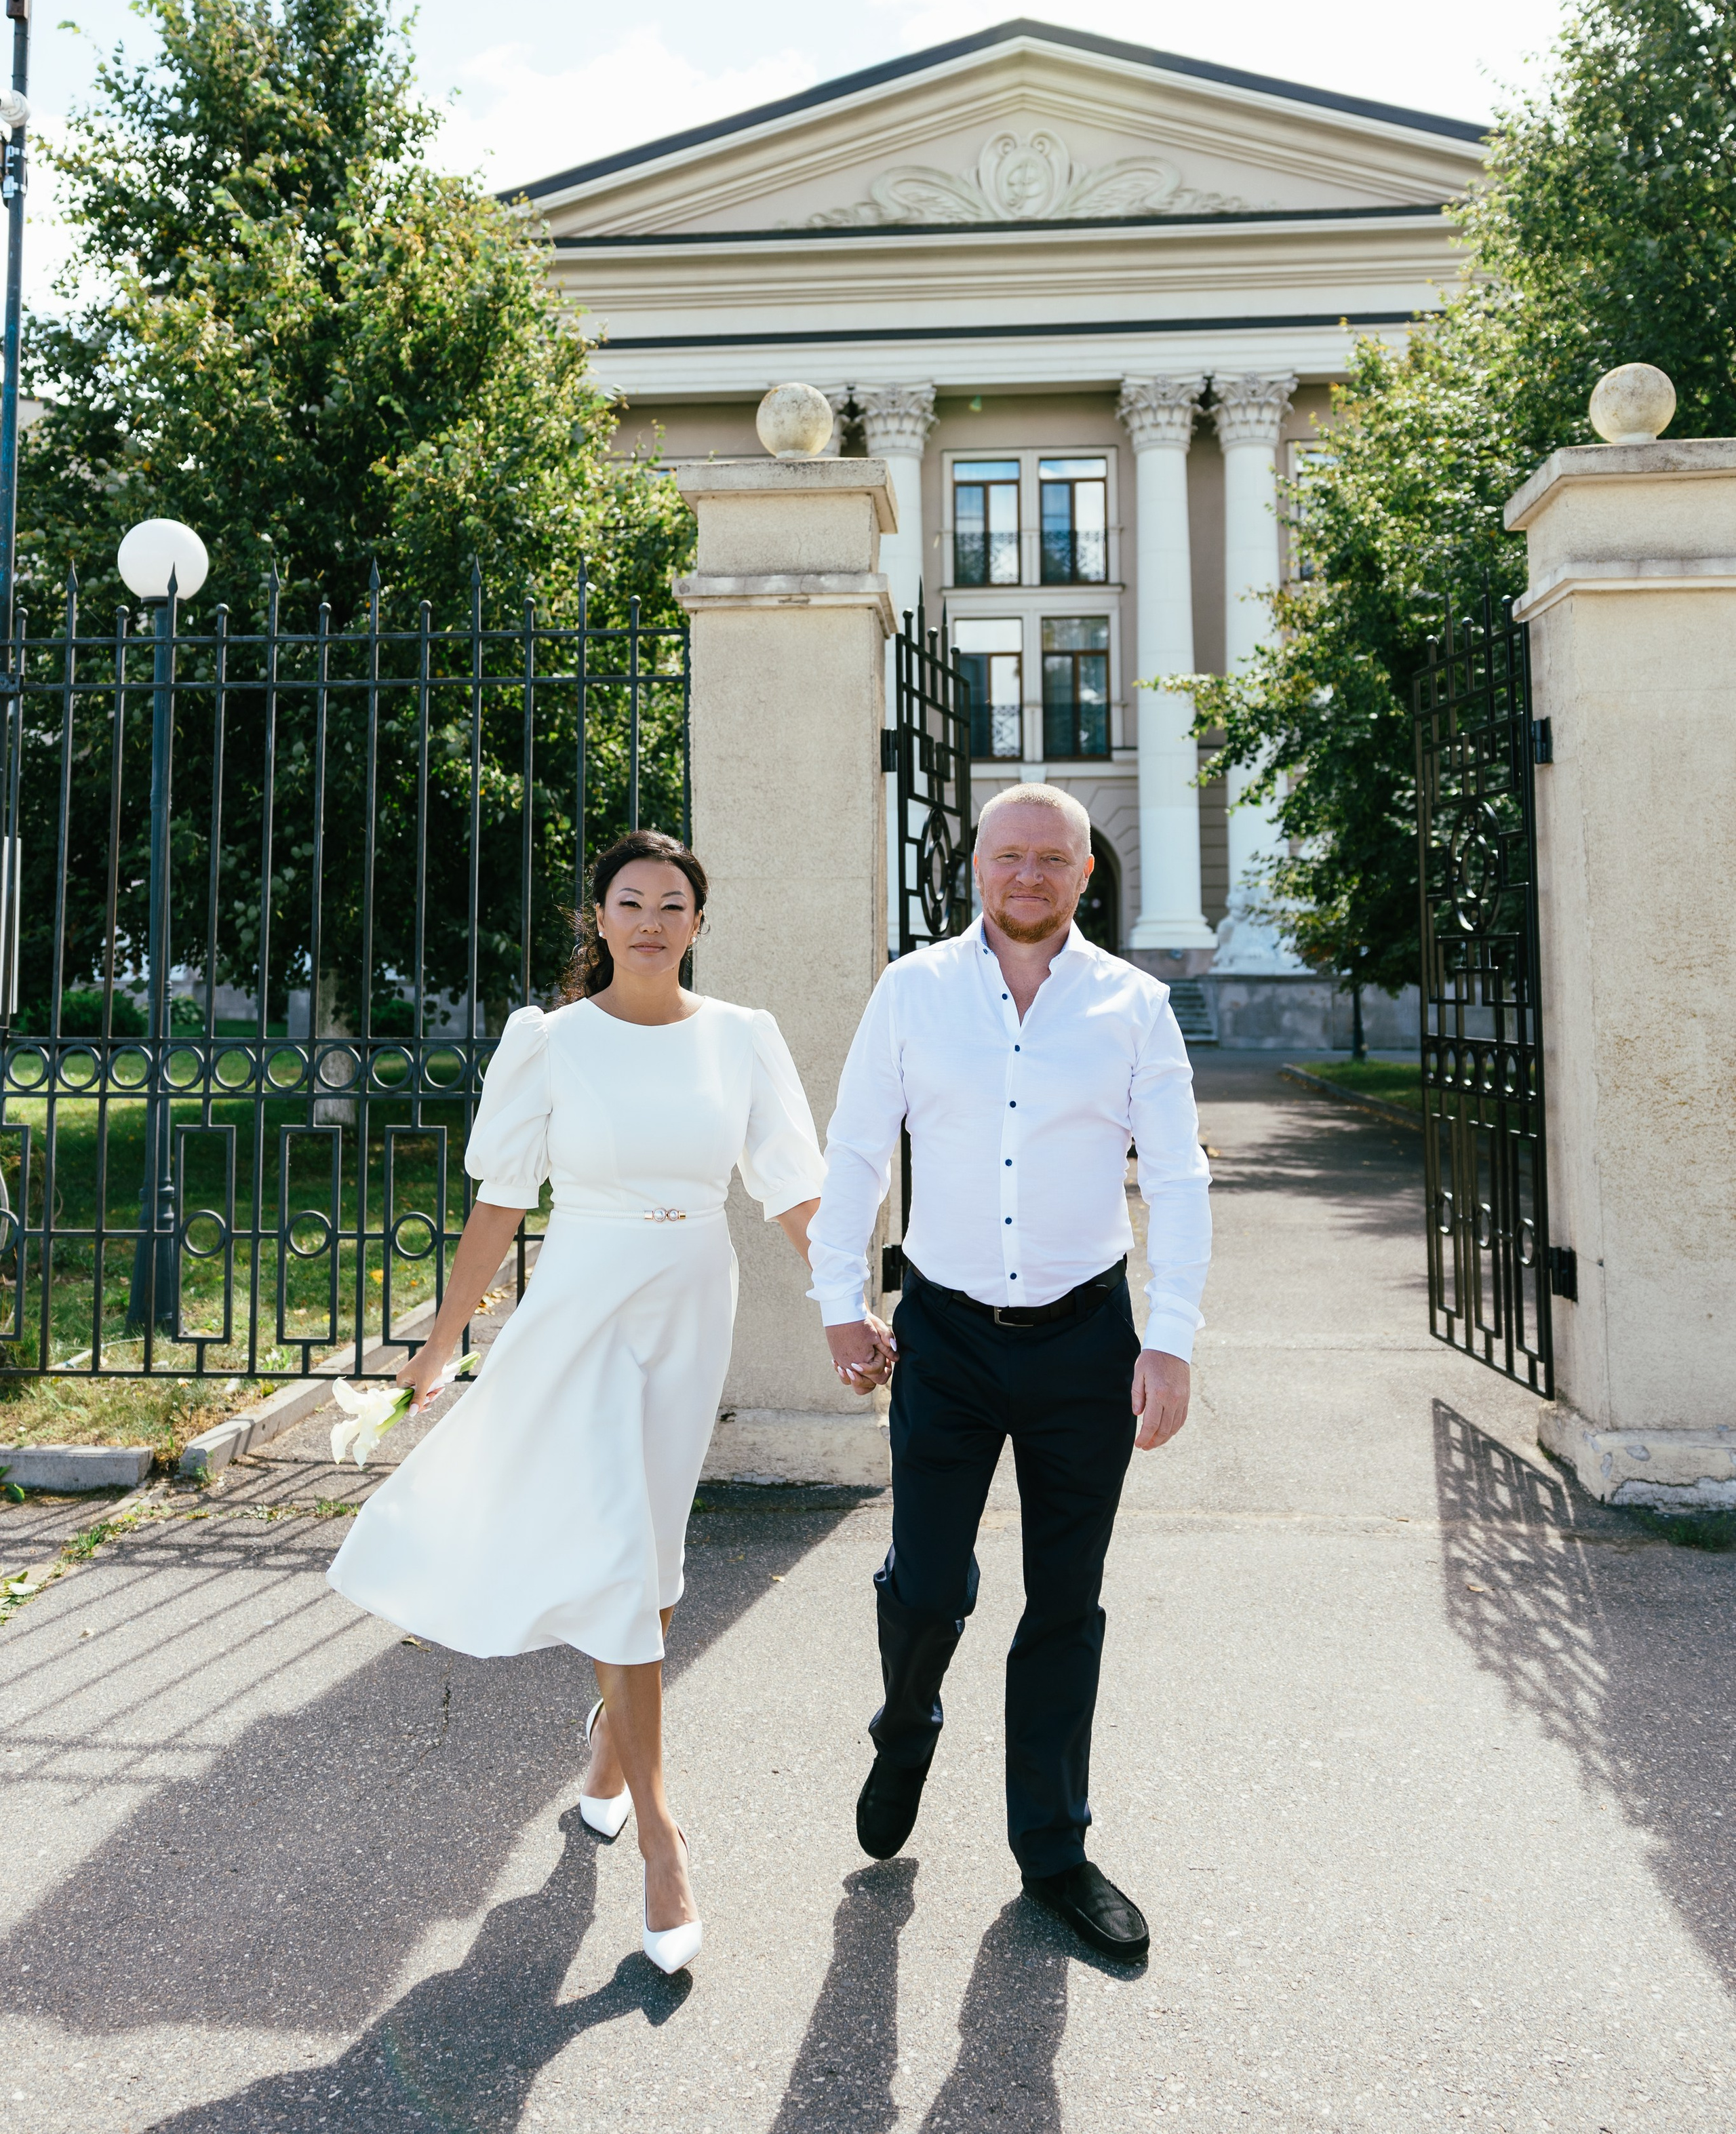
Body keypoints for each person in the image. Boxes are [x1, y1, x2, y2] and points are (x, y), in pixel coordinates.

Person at [327, 828, 825, 1977]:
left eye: (673, 903)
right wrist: (444, 1341)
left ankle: (610, 1750)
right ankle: (662, 1837)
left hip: (694, 1296)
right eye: (630, 900)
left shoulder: (744, 1040)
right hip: (583, 1303)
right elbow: (501, 1204)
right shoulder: (548, 1043)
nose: (651, 920)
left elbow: (794, 1189)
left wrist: (847, 1303)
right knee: (616, 1554)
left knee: (646, 1557)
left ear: (699, 922)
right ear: (598, 920)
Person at [806, 784, 1212, 1961]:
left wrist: (1170, 1337)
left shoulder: (1134, 1006)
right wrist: (842, 1305)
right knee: (926, 1586)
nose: (1027, 876)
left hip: (1088, 1339)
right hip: (946, 1334)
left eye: (1051, 859)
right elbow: (855, 1149)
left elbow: (1177, 1176)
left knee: (1064, 1605)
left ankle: (1054, 1852)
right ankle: (906, 1721)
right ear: (974, 867)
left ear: (1086, 875)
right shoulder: (912, 993)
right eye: (1007, 856)